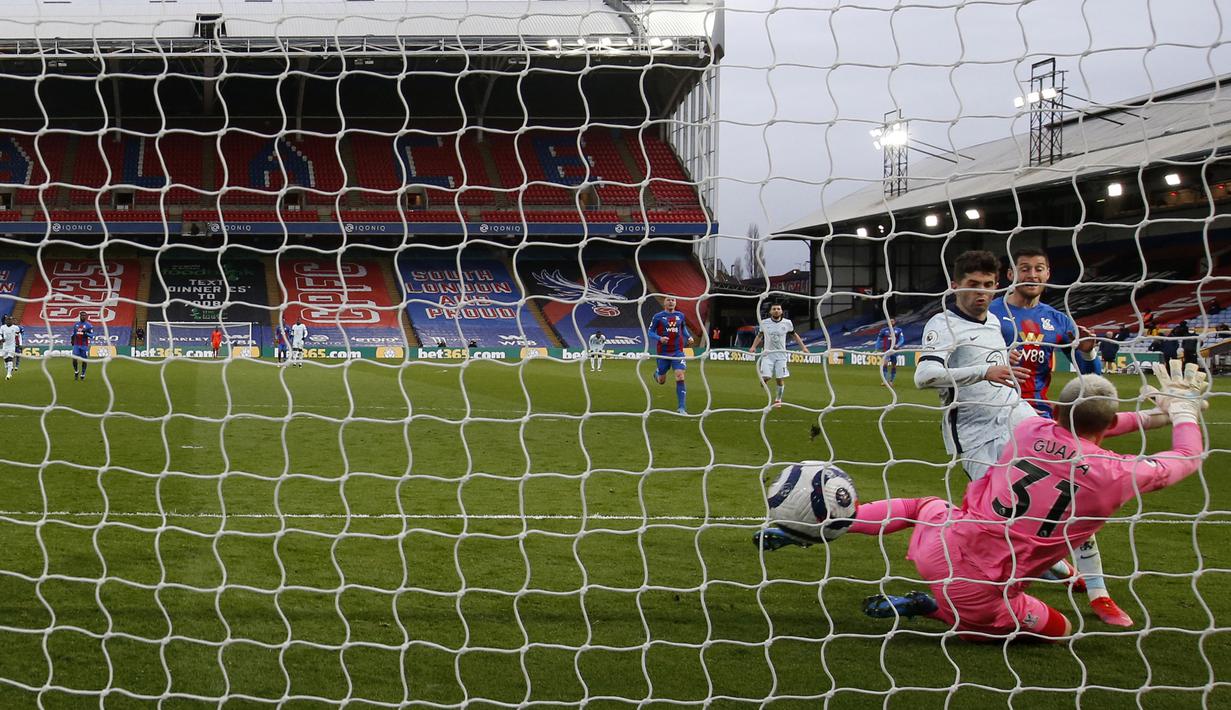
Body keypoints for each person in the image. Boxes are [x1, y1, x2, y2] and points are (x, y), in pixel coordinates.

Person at [851, 365, 1206, 641]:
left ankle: (836, 520)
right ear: (1110, 421)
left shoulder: (1028, 429)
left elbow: (1080, 422)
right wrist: (1182, 412)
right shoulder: (1113, 474)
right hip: (980, 589)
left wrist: (1161, 413)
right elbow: (1188, 457)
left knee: (921, 506)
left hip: (939, 545)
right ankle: (934, 608)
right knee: (1060, 628)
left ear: (1054, 409)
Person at [915, 250, 1036, 480]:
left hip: (1013, 415)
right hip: (976, 433)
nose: (981, 291)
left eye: (988, 284)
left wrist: (1000, 359)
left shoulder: (994, 320)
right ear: (955, 286)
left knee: (1059, 470)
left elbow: (979, 358)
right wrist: (984, 371)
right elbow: (924, 376)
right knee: (997, 507)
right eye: (973, 284)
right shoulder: (943, 324)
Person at [990, 248, 1101, 419]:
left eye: (1039, 269)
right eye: (1025, 269)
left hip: (1039, 414)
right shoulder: (990, 313)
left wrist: (1087, 352)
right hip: (993, 411)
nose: (1032, 275)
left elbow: (1091, 378)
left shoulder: (1059, 320)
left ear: (1047, 274)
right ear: (1011, 274)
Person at [749, 303, 809, 407]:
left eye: (778, 309)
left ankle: (778, 399)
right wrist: (753, 347)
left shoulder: (787, 323)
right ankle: (764, 380)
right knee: (767, 376)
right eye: (774, 309)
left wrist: (803, 347)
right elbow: (760, 336)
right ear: (770, 312)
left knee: (779, 379)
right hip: (768, 354)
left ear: (781, 311)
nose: (776, 310)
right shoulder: (764, 323)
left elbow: (795, 335)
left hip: (781, 355)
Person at [648, 297, 694, 414]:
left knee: (680, 375)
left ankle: (681, 407)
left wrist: (688, 336)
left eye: (673, 300)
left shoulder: (680, 315)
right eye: (668, 300)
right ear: (664, 302)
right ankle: (657, 374)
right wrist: (660, 338)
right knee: (661, 381)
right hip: (663, 352)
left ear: (675, 302)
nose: (671, 302)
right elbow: (650, 332)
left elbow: (682, 328)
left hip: (678, 351)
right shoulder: (658, 316)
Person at [876, 318, 905, 386]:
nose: (891, 322)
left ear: (895, 322)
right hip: (886, 350)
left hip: (894, 351)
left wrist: (897, 345)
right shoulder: (883, 330)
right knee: (885, 364)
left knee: (894, 366)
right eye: (890, 321)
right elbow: (878, 339)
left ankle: (891, 381)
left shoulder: (898, 330)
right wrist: (877, 348)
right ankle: (885, 381)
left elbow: (902, 339)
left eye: (892, 321)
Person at [70, 313, 93, 381]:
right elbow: (74, 334)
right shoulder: (76, 324)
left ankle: (83, 374)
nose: (83, 317)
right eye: (81, 315)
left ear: (86, 317)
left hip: (84, 345)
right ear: (79, 316)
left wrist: (85, 333)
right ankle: (76, 371)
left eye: (84, 316)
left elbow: (92, 335)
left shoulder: (89, 325)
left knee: (84, 360)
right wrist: (72, 340)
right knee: (74, 359)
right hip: (76, 345)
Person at [0, 315, 19, 380]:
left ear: (12, 320)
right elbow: (0, 334)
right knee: (5, 359)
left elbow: (18, 335)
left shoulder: (16, 327)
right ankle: (8, 369)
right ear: (5, 321)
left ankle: (8, 375)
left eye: (10, 320)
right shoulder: (2, 327)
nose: (9, 321)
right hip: (5, 346)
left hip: (12, 346)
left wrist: (19, 343)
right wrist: (1, 339)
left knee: (10, 358)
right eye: (8, 320)